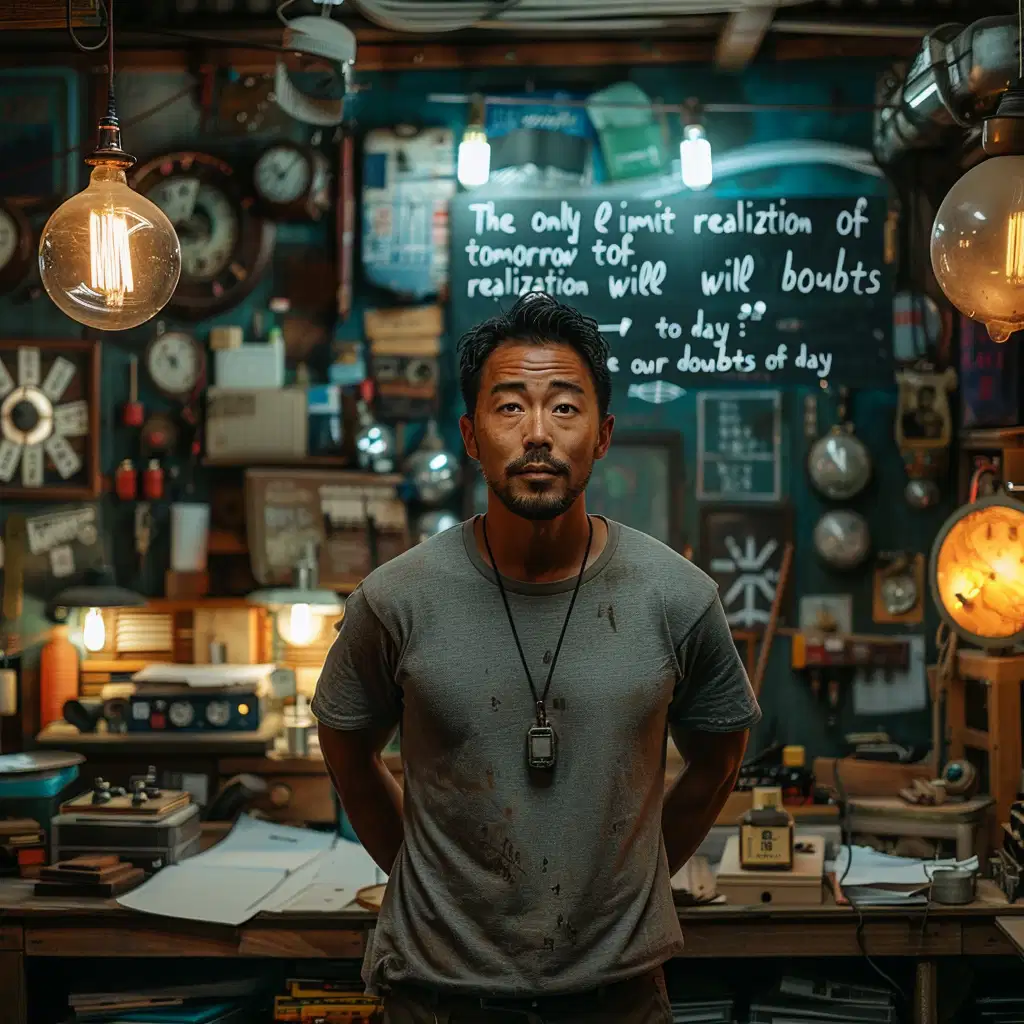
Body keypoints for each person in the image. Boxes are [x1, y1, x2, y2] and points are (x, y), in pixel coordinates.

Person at [312, 293, 761, 1024]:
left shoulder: (677, 597)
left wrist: (632, 884)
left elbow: (720, 757)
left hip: (616, 1000)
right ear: (470, 434)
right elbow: (345, 746)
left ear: (604, 433)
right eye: (511, 407)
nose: (538, 435)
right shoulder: (395, 599)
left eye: (564, 407)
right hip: (437, 998)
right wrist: (421, 876)